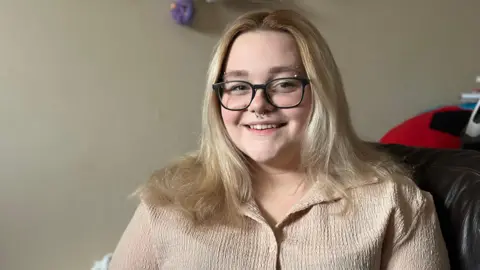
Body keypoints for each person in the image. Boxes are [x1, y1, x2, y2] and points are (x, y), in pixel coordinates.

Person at [109, 9, 449, 269]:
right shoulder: (167, 202)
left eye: (284, 84)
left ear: (321, 93)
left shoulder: (395, 204)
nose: (259, 105)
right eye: (239, 87)